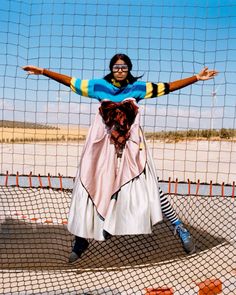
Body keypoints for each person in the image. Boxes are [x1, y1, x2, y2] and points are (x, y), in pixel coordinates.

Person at [22, 54, 218, 263]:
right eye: (117, 67)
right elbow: (71, 81)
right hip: (103, 147)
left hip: (132, 148)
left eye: (124, 67)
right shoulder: (99, 86)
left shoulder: (138, 88)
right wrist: (43, 72)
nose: (120, 70)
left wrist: (196, 78)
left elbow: (167, 87)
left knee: (149, 186)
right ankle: (82, 238)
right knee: (93, 185)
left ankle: (179, 227)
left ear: (129, 69)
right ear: (111, 68)